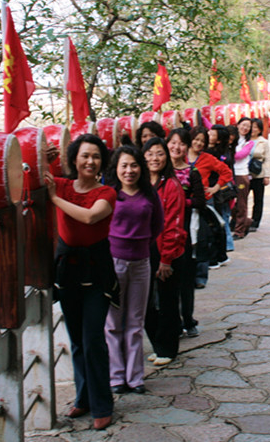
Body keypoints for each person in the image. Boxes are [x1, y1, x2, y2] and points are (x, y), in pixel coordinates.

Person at [44, 134, 117, 430]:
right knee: (75, 341)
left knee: (93, 339)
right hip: (68, 272)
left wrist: (55, 200)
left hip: (97, 273)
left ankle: (103, 404)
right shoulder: (60, 184)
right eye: (85, 155)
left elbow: (89, 218)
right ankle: (83, 398)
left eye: (96, 156)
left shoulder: (107, 193)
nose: (90, 161)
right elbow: (30, 179)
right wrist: (43, 158)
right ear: (74, 159)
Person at [105, 145, 164, 394]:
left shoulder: (149, 196)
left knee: (135, 321)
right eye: (124, 166)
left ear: (140, 167)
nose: (129, 171)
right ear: (116, 169)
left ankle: (135, 377)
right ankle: (116, 376)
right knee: (113, 323)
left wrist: (138, 243)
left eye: (134, 165)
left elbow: (157, 226)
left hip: (141, 263)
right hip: (113, 263)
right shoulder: (109, 194)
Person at [142, 137, 187, 366]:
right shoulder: (139, 185)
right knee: (147, 302)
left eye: (159, 153)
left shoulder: (171, 185)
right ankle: (159, 345)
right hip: (144, 252)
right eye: (149, 154)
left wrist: (166, 259)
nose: (154, 158)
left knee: (167, 302)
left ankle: (168, 349)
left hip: (166, 253)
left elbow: (174, 225)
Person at [167, 128, 205, 337]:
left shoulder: (192, 172)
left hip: (185, 232)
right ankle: (171, 320)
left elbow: (200, 201)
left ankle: (187, 320)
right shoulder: (158, 172)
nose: (176, 147)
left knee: (185, 280)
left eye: (181, 143)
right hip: (161, 233)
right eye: (173, 142)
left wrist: (178, 201)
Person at [186, 126, 232, 286]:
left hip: (204, 202)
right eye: (196, 139)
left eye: (202, 141)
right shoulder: (181, 155)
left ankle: (200, 277)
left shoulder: (207, 158)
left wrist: (215, 187)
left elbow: (226, 172)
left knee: (202, 240)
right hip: (183, 204)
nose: (198, 143)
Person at [208, 124, 236, 254]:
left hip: (218, 190)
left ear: (218, 140)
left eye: (212, 134)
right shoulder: (226, 151)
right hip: (223, 190)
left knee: (221, 218)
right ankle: (227, 245)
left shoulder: (213, 154)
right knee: (223, 216)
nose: (208, 135)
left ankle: (225, 245)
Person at [232, 117, 255, 239]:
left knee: (241, 203)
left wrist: (227, 153)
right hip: (230, 174)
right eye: (243, 125)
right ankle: (246, 222)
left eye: (248, 127)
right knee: (229, 203)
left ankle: (239, 231)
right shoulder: (232, 138)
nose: (245, 128)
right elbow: (213, 129)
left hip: (241, 176)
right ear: (238, 124)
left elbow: (240, 155)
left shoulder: (249, 143)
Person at [248, 118, 270, 232]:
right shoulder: (243, 140)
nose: (253, 129)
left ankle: (255, 222)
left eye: (256, 127)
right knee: (241, 199)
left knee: (258, 199)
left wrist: (267, 176)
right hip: (244, 174)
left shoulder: (263, 142)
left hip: (258, 174)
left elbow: (267, 160)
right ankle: (240, 220)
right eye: (251, 126)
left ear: (260, 129)